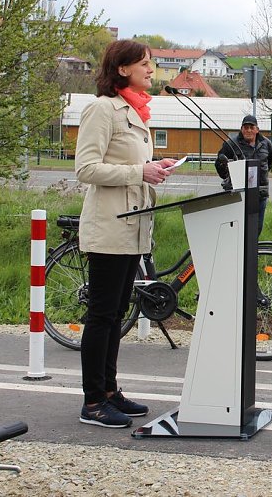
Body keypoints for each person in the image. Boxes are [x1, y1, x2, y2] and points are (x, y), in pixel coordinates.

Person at [74, 40, 177, 427]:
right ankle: (92, 401)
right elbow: (86, 169)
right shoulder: (102, 109)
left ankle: (110, 391)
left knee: (117, 313)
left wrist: (155, 165)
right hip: (109, 227)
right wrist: (140, 172)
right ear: (122, 69)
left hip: (134, 227)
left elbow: (131, 162)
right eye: (145, 64)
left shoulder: (135, 111)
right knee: (102, 315)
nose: (151, 70)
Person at [214, 114, 272, 235]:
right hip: (237, 195)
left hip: (260, 194)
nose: (249, 130)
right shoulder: (230, 144)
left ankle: (252, 253)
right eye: (245, 127)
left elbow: (270, 162)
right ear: (241, 129)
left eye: (252, 127)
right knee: (236, 231)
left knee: (256, 230)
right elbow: (220, 167)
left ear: (257, 129)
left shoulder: (266, 143)